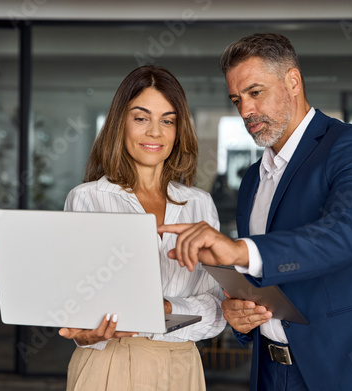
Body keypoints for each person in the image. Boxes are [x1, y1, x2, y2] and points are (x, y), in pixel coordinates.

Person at [159, 33, 352, 390]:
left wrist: (239, 250)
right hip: (271, 373)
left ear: (293, 81)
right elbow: (261, 284)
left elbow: (347, 235)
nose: (245, 110)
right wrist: (240, 317)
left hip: (350, 371)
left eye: (255, 92)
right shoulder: (252, 180)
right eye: (236, 100)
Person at [58, 65, 227, 390]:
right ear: (120, 123)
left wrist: (164, 309)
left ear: (179, 130)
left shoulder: (199, 204)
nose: (155, 132)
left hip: (182, 368)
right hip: (107, 364)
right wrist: (86, 334)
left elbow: (216, 310)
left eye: (167, 120)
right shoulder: (88, 199)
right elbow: (73, 303)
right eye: (141, 118)